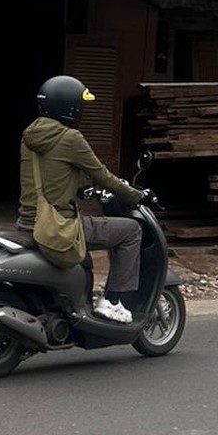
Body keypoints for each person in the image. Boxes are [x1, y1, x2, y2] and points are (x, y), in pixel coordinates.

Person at [18, 74, 146, 322]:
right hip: (59, 226)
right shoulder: (70, 138)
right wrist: (138, 196)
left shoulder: (29, 137)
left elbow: (50, 176)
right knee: (131, 231)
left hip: (28, 221)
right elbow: (104, 177)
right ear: (70, 107)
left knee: (86, 256)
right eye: (81, 105)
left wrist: (77, 189)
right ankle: (112, 301)